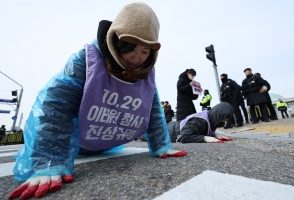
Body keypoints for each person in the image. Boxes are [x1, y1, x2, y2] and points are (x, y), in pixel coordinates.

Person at [8, 3, 187, 200]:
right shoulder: (84, 60)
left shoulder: (145, 74)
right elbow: (57, 106)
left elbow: (151, 109)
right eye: (131, 48)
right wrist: (48, 161)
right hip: (72, 144)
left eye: (145, 52)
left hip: (105, 141)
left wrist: (162, 146)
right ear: (116, 41)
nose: (137, 57)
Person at [167, 102, 234, 143]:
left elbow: (201, 131)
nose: (224, 122)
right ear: (218, 116)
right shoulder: (198, 121)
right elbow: (184, 136)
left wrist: (214, 136)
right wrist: (205, 138)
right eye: (224, 120)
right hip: (169, 132)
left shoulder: (210, 118)